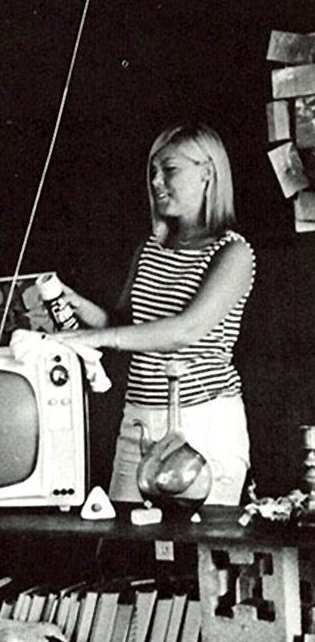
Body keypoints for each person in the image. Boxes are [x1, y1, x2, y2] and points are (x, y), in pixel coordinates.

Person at [58, 123, 255, 505]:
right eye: (153, 172)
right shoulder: (151, 248)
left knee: (200, 555)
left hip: (205, 426)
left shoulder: (234, 253)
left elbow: (185, 330)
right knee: (127, 552)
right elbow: (128, 328)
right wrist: (78, 305)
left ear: (207, 173)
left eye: (170, 170)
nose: (156, 182)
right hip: (140, 422)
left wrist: (94, 338)